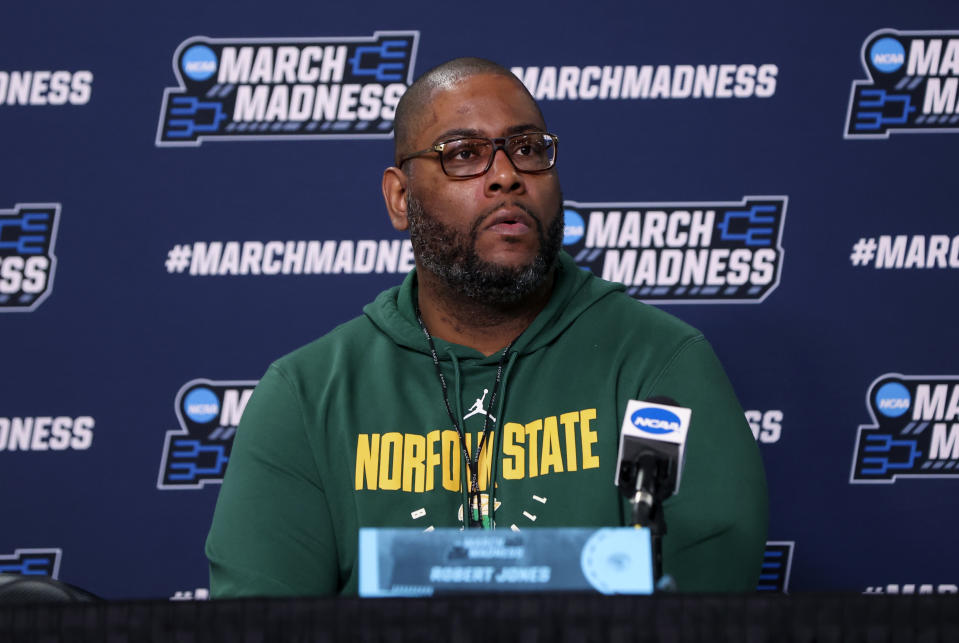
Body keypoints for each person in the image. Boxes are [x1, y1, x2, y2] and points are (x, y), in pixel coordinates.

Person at [205, 57, 768, 596]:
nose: (506, 176)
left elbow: (702, 609)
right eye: (464, 154)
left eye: (528, 150)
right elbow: (261, 620)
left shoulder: (659, 366)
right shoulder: (308, 396)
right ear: (401, 198)